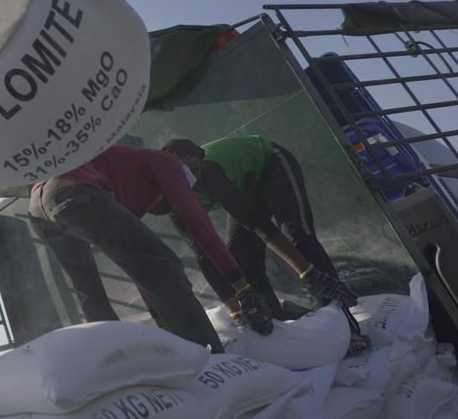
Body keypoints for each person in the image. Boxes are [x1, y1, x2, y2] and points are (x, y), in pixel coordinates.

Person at [28, 143, 277, 353]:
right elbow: (200, 226)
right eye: (193, 167)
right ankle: (210, 358)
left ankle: (118, 363)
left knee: (90, 292)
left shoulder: (123, 178)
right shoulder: (164, 161)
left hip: (38, 206)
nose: (193, 176)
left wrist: (161, 321)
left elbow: (141, 270)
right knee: (167, 269)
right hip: (73, 190)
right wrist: (243, 289)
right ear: (175, 154)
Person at [162, 136, 370, 352]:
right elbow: (205, 256)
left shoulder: (208, 174)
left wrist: (309, 273)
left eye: (195, 170)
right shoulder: (174, 203)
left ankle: (347, 329)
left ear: (199, 161)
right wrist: (238, 314)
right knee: (241, 261)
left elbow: (258, 224)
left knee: (299, 238)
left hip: (270, 165)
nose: (193, 179)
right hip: (242, 188)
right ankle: (275, 329)